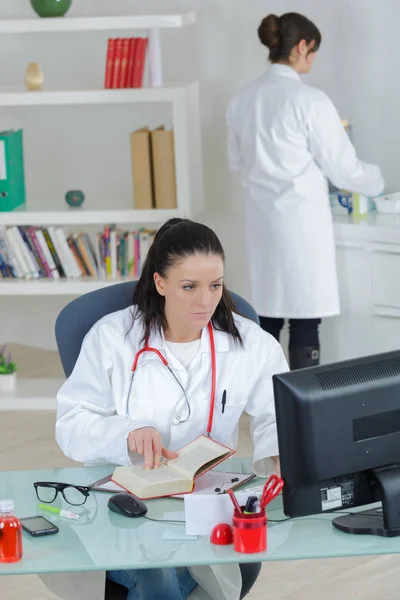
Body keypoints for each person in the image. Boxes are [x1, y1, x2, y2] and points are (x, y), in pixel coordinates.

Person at [55, 218, 288, 600]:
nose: (205, 300)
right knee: (158, 578)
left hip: (206, 506)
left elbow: (278, 415)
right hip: (124, 505)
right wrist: (126, 433)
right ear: (160, 283)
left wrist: (279, 455)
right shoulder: (112, 337)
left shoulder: (252, 344)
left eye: (215, 286)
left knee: (167, 578)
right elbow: (71, 424)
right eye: (189, 287)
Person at [226, 12, 384, 370]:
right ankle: (304, 416)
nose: (313, 59)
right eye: (313, 51)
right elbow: (344, 168)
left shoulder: (240, 102)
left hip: (261, 224)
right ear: (302, 47)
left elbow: (236, 164)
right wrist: (377, 182)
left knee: (265, 318)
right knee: (305, 316)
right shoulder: (309, 101)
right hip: (301, 226)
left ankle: (265, 408)